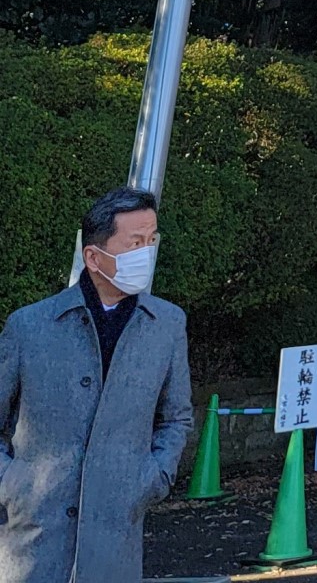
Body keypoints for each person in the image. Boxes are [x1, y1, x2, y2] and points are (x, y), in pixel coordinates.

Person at [0, 185, 192, 583]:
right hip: (32, 540)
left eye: (151, 240)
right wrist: (12, 483)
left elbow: (176, 417)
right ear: (93, 256)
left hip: (116, 535)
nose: (146, 253)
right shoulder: (30, 326)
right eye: (135, 243)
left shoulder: (167, 325)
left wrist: (153, 477)